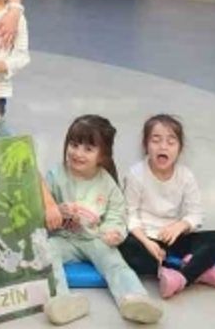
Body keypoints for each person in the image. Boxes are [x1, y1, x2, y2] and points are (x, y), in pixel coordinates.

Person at [42, 115, 163, 326]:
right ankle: (61, 299)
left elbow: (117, 214)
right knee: (45, 253)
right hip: (63, 238)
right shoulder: (55, 175)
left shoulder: (107, 183)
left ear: (102, 155)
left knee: (115, 263)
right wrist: (56, 211)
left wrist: (113, 232)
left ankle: (134, 298)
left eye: (88, 149)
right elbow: (42, 206)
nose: (78, 153)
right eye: (74, 145)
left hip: (95, 238)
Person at [119, 115, 215, 298]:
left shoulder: (185, 176)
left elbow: (196, 214)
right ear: (146, 145)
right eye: (156, 140)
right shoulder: (136, 174)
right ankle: (196, 269)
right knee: (124, 247)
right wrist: (147, 242)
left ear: (179, 148)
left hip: (174, 237)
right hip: (144, 239)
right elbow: (129, 215)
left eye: (171, 142)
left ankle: (182, 277)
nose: (163, 147)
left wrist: (180, 226)